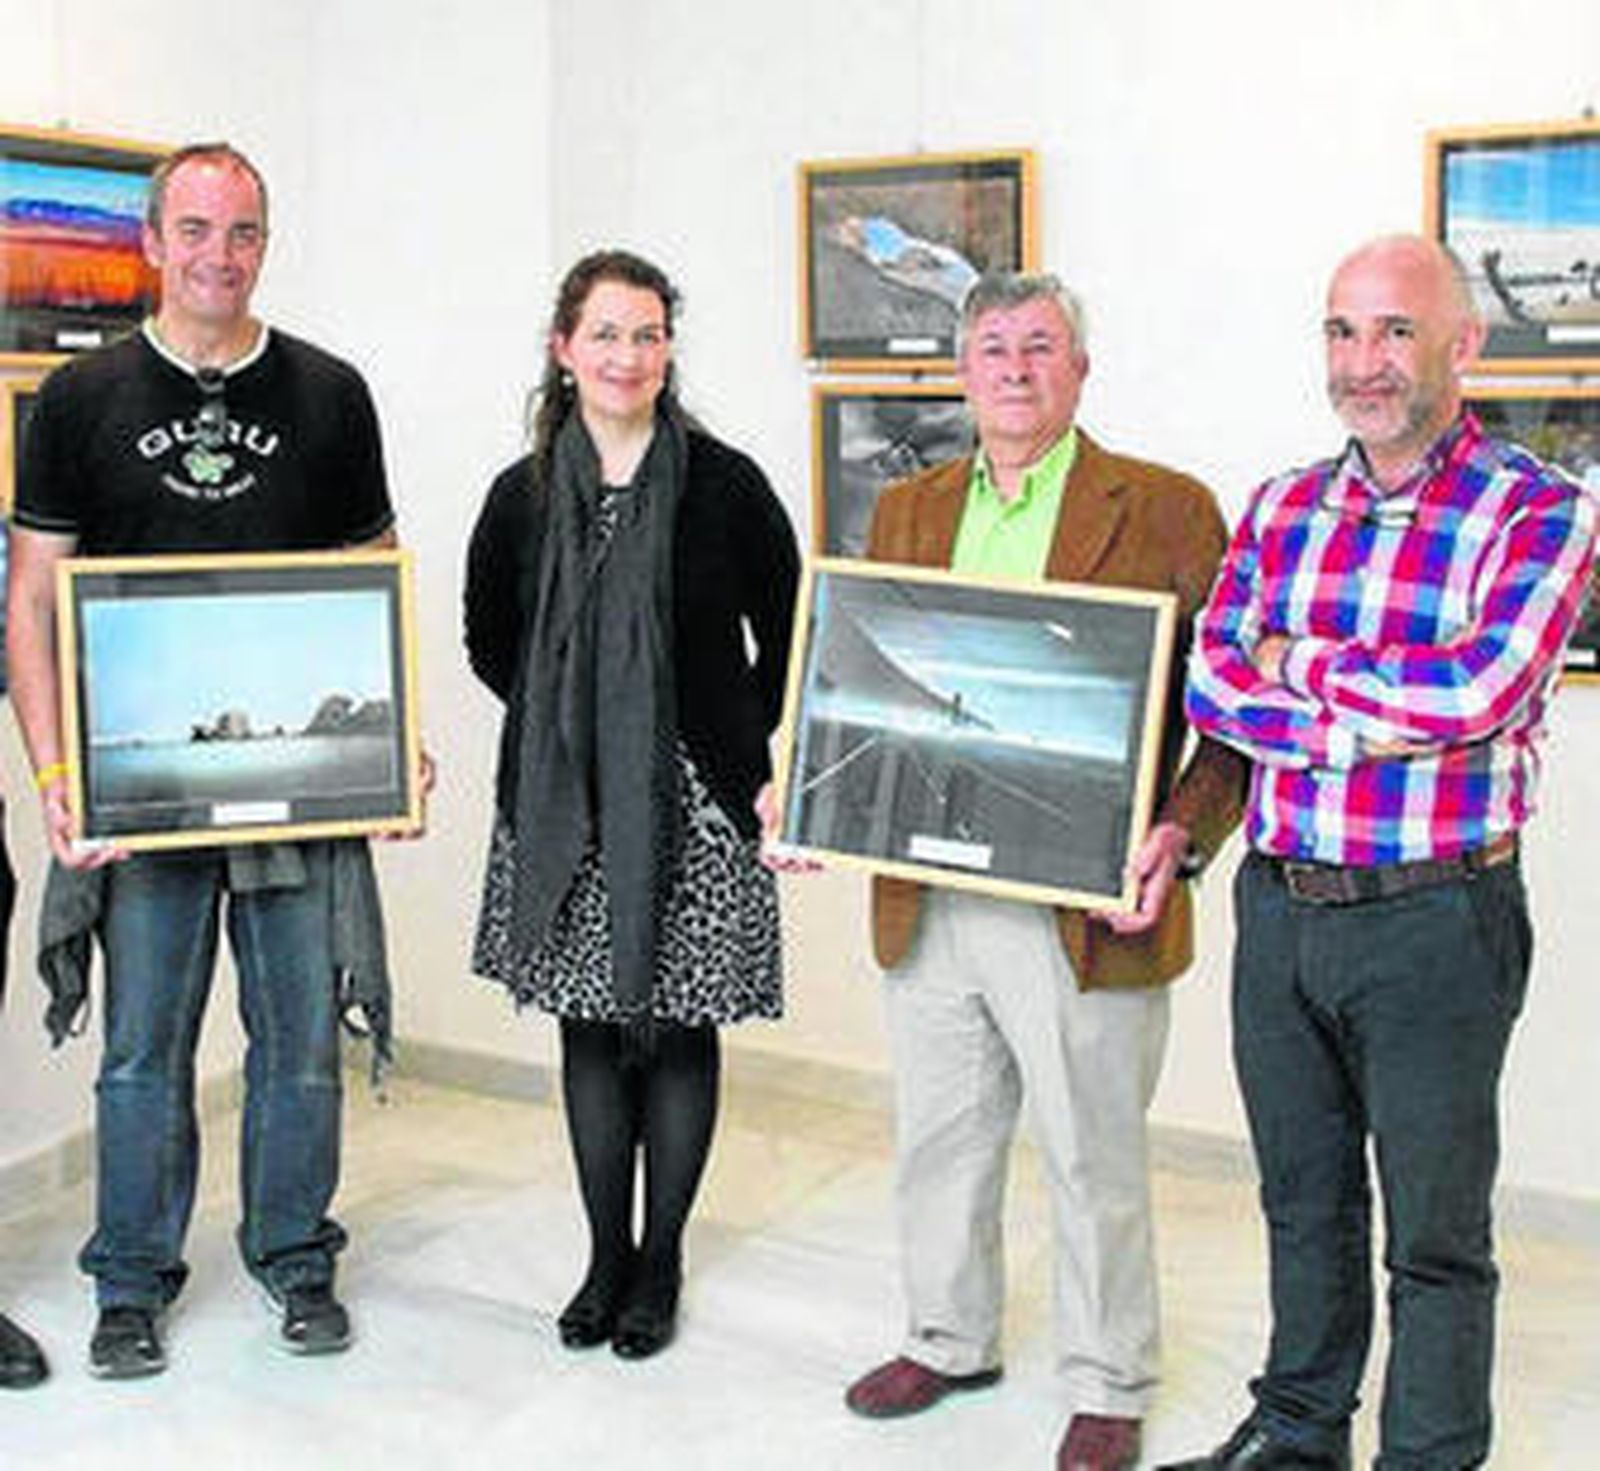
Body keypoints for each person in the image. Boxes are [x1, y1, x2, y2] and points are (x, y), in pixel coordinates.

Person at [1168, 235, 1598, 1470]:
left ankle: (1429, 1455)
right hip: (1282, 909)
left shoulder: (1539, 508)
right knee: (1302, 1202)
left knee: (1434, 1236)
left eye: (1395, 331)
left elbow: (1476, 687)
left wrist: (1293, 674)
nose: (1365, 362)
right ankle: (1299, 1433)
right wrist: (1351, 706)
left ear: (1463, 343)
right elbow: (1212, 680)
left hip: (1436, 922)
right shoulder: (1283, 503)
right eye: (1342, 332)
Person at [7, 142, 400, 1378]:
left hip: (290, 788)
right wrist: (59, 777)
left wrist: (394, 751)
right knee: (141, 1050)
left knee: (296, 1043)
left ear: (263, 245)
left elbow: (371, 578)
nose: (217, 256)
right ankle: (130, 1279)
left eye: (241, 233)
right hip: (147, 793)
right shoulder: (78, 403)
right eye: (194, 230)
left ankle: (296, 1257)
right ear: (152, 241)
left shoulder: (332, 393)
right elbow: (29, 599)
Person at [841, 271, 1245, 1471]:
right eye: (992, 349)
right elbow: (871, 684)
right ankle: (947, 1334)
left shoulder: (1168, 509)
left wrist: (1183, 833)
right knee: (940, 1137)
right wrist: (825, 789)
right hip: (931, 887)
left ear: (1079, 368)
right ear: (960, 373)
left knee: (1091, 1150)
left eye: (1040, 347)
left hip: (1086, 900)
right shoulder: (906, 508)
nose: (1015, 369)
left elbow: (1230, 720)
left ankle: (1110, 1376)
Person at [464, 249, 799, 1361]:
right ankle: (604, 1255)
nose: (627, 355)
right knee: (593, 1031)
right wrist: (574, 726)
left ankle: (662, 1262)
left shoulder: (725, 483)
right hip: (565, 805)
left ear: (669, 349)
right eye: (605, 333)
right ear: (564, 349)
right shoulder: (518, 497)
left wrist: (736, 748)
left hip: (697, 803)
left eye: (648, 334)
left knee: (680, 1029)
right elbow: (487, 639)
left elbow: (791, 628)